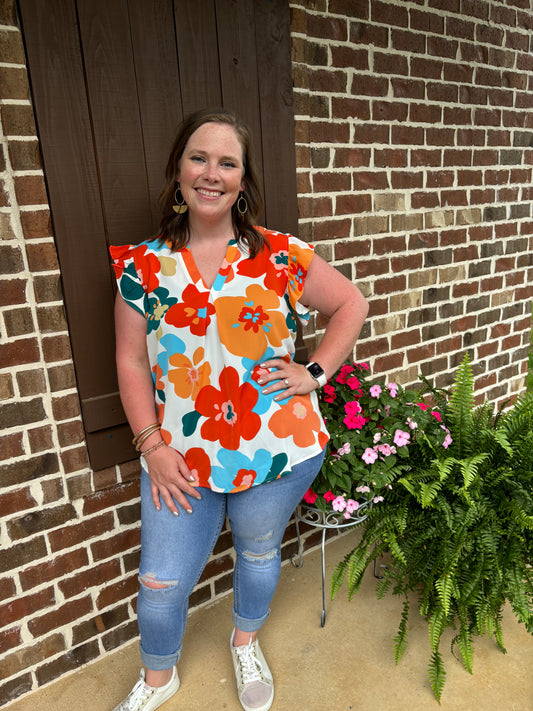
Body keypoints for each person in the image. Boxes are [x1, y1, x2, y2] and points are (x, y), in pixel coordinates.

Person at [109, 107, 368, 711]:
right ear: (178, 170)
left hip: (276, 448)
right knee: (161, 581)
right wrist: (151, 443)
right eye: (199, 157)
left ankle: (244, 640)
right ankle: (158, 678)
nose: (211, 173)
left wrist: (313, 372)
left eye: (228, 162)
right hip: (181, 458)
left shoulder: (279, 255)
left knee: (257, 552)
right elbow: (128, 361)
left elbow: (350, 304)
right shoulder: (140, 268)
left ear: (244, 181)